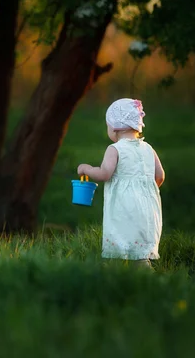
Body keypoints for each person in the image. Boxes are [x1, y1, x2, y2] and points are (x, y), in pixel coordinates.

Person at [77, 98, 165, 269]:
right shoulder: (148, 148)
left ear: (115, 127)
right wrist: (144, 192)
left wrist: (86, 169)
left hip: (124, 208)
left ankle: (115, 275)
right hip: (148, 208)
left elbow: (104, 173)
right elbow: (160, 176)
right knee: (140, 253)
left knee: (120, 244)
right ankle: (144, 275)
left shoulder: (115, 149)